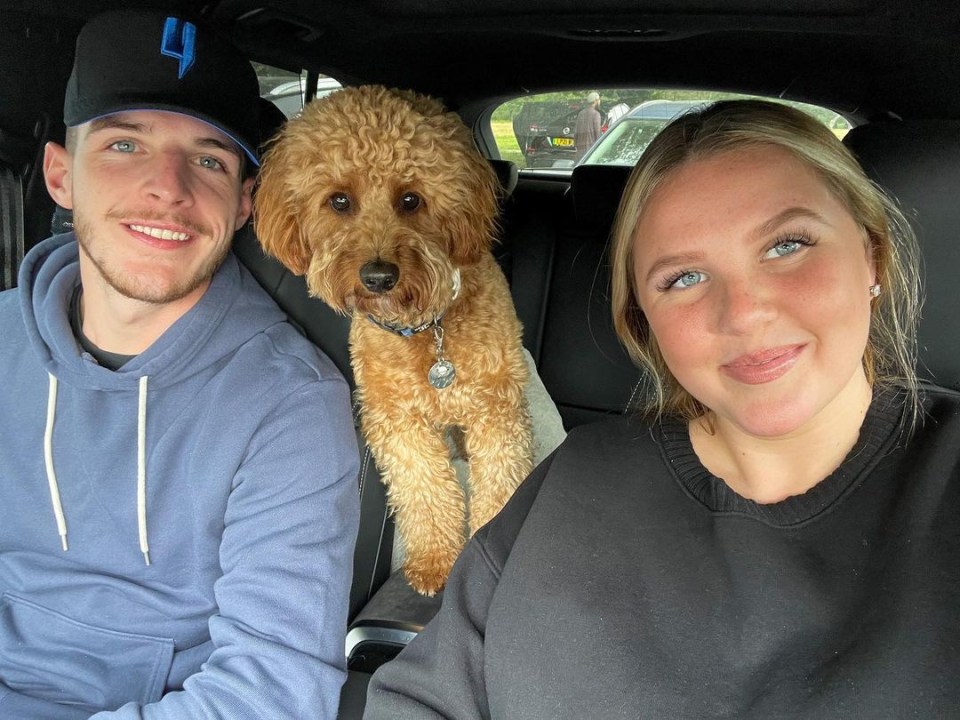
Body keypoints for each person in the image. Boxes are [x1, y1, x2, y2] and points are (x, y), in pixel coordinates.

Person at [363, 100, 960, 718]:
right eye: (683, 279)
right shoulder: (573, 479)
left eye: (788, 244)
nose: (744, 313)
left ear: (872, 256)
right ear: (644, 323)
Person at [0, 9, 360, 719]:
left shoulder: (289, 404)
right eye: (125, 144)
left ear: (244, 203)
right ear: (59, 175)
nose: (169, 187)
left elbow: (271, 692)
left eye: (208, 159)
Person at [574, 90, 602, 162]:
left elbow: (576, 132)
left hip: (580, 151)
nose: (599, 102)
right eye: (598, 100)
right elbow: (597, 134)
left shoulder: (581, 113)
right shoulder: (596, 114)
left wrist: (576, 145)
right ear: (595, 101)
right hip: (590, 151)